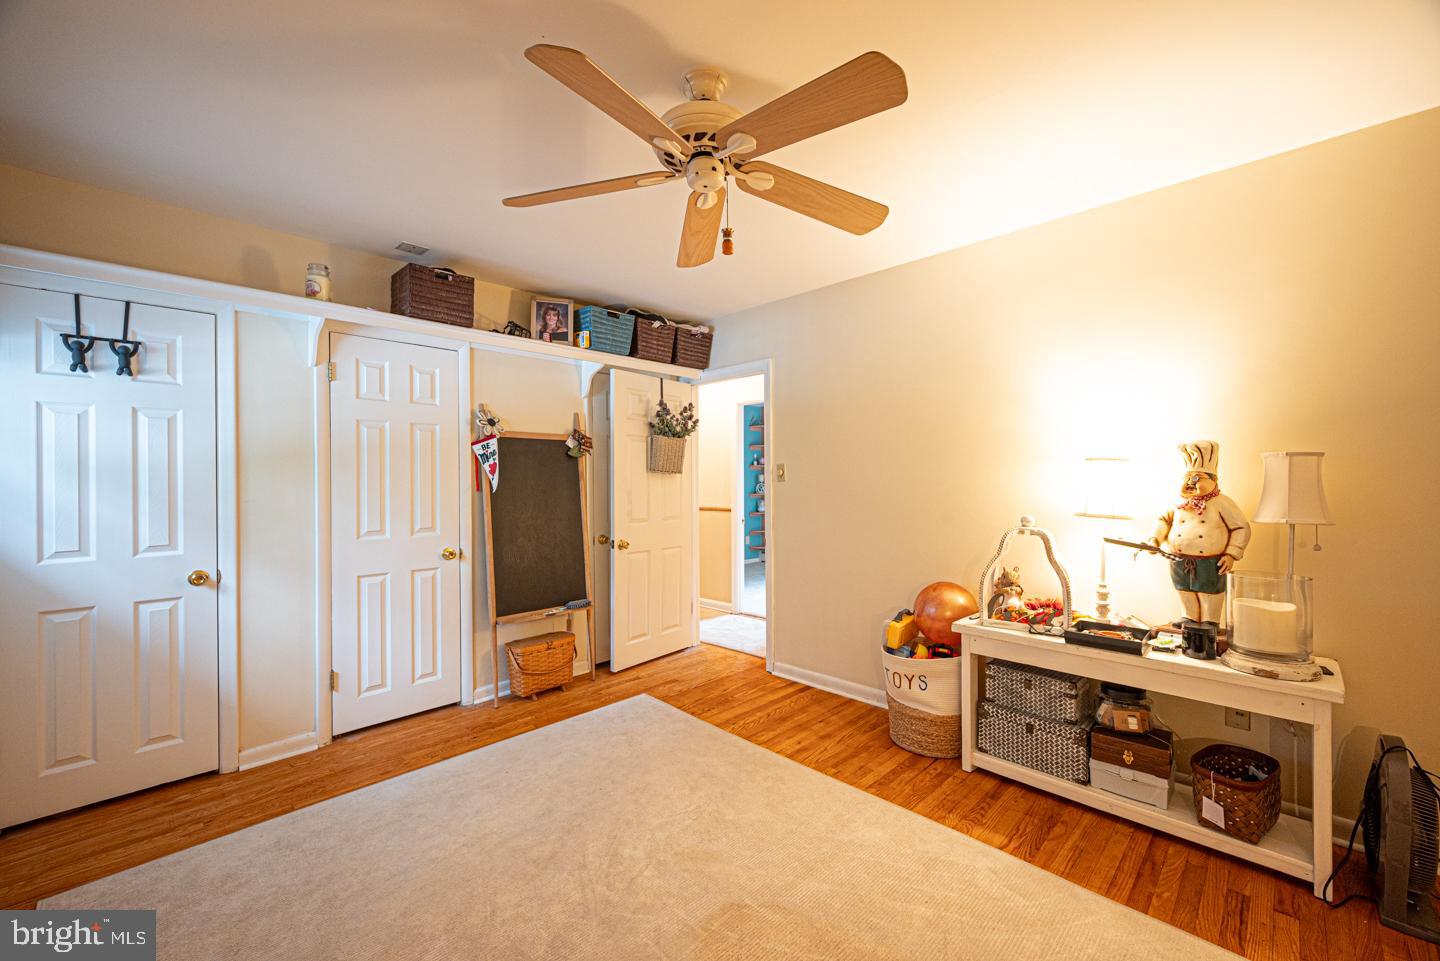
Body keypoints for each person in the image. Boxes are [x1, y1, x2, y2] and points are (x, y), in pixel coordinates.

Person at [1144, 440, 1251, 626]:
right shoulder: (1178, 502)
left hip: (1209, 561)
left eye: (1197, 478)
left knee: (1209, 590)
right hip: (1178, 558)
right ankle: (1189, 615)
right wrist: (1155, 539)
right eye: (1187, 478)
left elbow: (1241, 527)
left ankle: (1210, 619)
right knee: (1183, 588)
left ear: (1213, 480)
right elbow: (1163, 520)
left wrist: (1232, 553)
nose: (1190, 483)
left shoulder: (1222, 502)